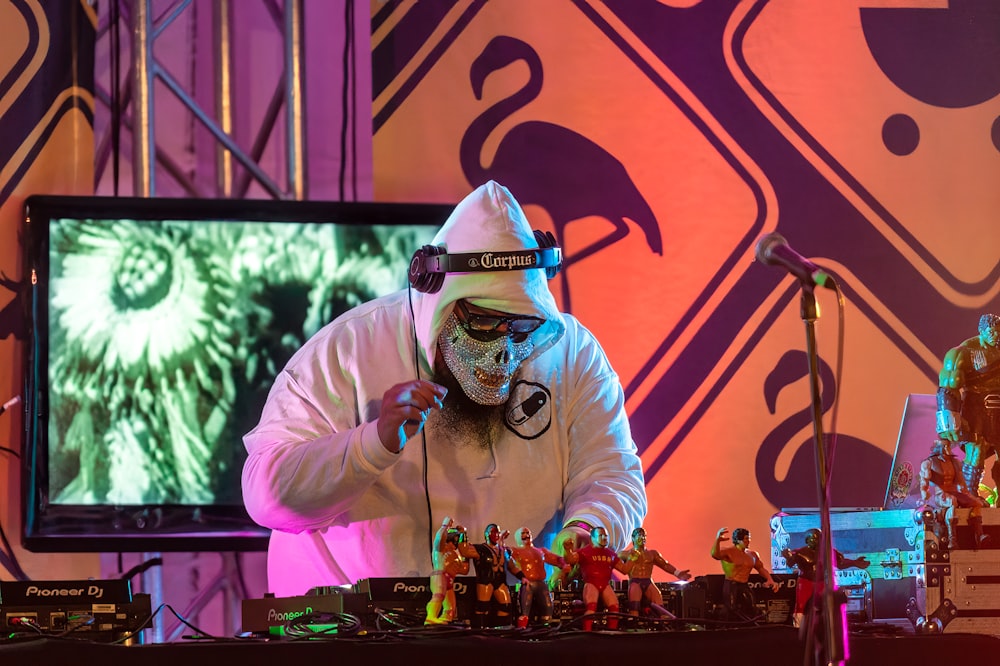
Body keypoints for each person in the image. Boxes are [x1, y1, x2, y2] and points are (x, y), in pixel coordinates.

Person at [241, 180, 647, 596]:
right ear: (440, 304)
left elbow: (614, 475)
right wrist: (372, 443)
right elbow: (264, 495)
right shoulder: (346, 350)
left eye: (521, 327)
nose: (505, 351)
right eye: (486, 325)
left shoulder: (571, 353)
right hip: (357, 643)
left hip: (518, 628)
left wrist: (588, 527)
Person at [937, 313, 1000, 494]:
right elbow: (948, 385)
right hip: (977, 408)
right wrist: (948, 417)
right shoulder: (964, 352)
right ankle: (968, 495)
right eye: (991, 332)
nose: (995, 336)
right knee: (976, 451)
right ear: (981, 331)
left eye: (998, 332)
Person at [780, 528, 869, 628]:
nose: (816, 541)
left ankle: (828, 629)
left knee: (827, 605)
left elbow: (840, 563)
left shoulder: (828, 552)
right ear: (808, 540)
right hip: (805, 582)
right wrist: (787, 556)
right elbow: (790, 562)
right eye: (813, 539)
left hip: (822, 582)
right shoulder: (800, 552)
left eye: (818, 538)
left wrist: (854, 563)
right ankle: (799, 629)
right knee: (802, 606)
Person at [919, 438, 989, 548]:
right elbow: (924, 481)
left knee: (976, 503)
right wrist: (924, 492)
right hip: (940, 494)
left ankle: (979, 535)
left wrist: (967, 495)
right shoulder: (929, 463)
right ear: (939, 449)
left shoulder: (954, 462)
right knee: (951, 501)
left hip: (954, 492)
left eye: (948, 446)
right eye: (945, 446)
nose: (948, 449)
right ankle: (952, 539)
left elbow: (961, 482)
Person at [564, 525, 632, 631]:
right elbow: (570, 560)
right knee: (591, 608)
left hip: (605, 584)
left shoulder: (611, 554)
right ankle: (587, 632)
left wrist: (632, 559)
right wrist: (567, 550)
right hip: (591, 584)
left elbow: (624, 570)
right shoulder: (584, 552)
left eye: (606, 536)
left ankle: (612, 631)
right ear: (593, 538)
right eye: (601, 535)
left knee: (614, 607)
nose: (604, 538)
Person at [618, 526, 691, 618]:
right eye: (639, 535)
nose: (642, 537)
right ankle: (634, 625)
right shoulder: (625, 554)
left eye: (644, 535)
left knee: (660, 606)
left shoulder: (652, 554)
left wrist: (678, 573)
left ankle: (664, 625)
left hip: (648, 581)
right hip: (635, 581)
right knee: (634, 606)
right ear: (633, 538)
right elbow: (613, 562)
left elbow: (665, 565)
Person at [710, 527, 780, 622]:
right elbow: (715, 554)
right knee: (731, 608)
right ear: (738, 540)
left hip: (744, 584)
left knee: (751, 605)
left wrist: (770, 579)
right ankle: (727, 627)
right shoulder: (728, 551)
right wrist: (717, 540)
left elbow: (760, 568)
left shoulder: (752, 554)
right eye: (746, 538)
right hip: (731, 584)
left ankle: (748, 625)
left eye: (749, 538)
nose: (749, 541)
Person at [508, 526, 568, 627]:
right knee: (525, 609)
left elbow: (557, 559)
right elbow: (505, 557)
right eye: (523, 533)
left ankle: (545, 629)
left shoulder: (541, 551)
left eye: (528, 533)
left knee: (548, 606)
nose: (526, 535)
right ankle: (522, 628)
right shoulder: (515, 551)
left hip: (541, 583)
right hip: (526, 583)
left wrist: (564, 564)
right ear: (517, 537)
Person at [458, 522, 514, 628]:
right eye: (493, 531)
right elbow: (465, 552)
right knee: (482, 607)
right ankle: (479, 629)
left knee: (506, 606)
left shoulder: (503, 550)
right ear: (487, 534)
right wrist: (463, 534)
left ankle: (502, 628)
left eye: (497, 531)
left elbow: (512, 566)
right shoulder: (480, 549)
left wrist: (523, 577)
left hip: (500, 580)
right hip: (485, 580)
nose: (496, 534)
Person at [425, 517, 470, 624]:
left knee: (450, 606)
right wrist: (445, 526)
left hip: (449, 580)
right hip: (440, 576)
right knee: (438, 596)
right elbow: (439, 539)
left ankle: (445, 619)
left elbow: (464, 570)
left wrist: (465, 552)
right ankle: (430, 617)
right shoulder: (441, 549)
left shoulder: (456, 555)